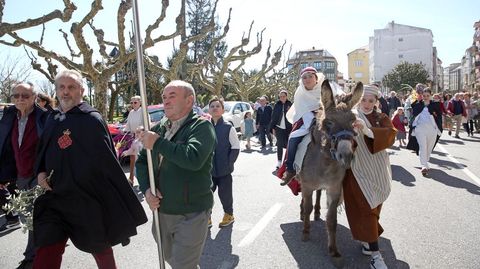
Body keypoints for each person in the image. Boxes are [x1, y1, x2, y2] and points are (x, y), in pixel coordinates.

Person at [33, 69, 147, 269]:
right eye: (62, 87)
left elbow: (106, 163)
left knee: (99, 246)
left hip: (85, 199)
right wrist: (41, 172)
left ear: (81, 91)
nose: (66, 92)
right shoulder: (52, 118)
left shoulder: (91, 120)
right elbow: (42, 151)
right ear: (56, 90)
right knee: (47, 247)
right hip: (55, 198)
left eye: (71, 87)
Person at [136, 80, 216, 269]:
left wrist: (158, 143)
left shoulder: (202, 127)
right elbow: (142, 161)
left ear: (189, 101)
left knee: (182, 266)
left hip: (192, 213)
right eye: (164, 97)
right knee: (175, 260)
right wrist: (147, 190)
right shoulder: (158, 128)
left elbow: (193, 158)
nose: (166, 101)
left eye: (172, 96)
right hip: (162, 211)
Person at [343, 84, 396, 269]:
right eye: (363, 100)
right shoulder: (349, 116)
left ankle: (368, 239)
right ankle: (376, 256)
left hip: (379, 169)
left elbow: (390, 135)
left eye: (370, 101)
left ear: (376, 102)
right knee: (367, 208)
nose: (366, 104)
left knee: (374, 209)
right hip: (357, 170)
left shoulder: (380, 117)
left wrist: (366, 129)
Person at [0, 83, 48, 269]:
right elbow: (5, 146)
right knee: (26, 216)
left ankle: (32, 257)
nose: (20, 98)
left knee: (36, 216)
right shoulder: (9, 117)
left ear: (34, 97)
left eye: (25, 95)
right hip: (20, 175)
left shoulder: (44, 117)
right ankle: (37, 253)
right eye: (16, 95)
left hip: (39, 174)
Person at [280, 67, 324, 186]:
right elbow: (303, 111)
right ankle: (290, 169)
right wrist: (313, 123)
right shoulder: (299, 93)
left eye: (310, 76)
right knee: (292, 139)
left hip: (327, 120)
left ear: (316, 78)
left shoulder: (325, 88)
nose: (307, 79)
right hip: (307, 122)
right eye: (304, 77)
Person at [208, 97, 240, 228]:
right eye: (212, 106)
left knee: (225, 194)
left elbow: (235, 147)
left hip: (224, 169)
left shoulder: (228, 127)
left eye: (217, 106)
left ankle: (229, 215)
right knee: (206, 194)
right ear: (209, 110)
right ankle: (207, 218)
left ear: (222, 110)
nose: (215, 108)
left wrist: (229, 163)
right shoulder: (204, 127)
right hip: (208, 170)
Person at [406, 88, 442, 176]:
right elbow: (413, 114)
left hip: (432, 130)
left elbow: (439, 117)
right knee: (423, 147)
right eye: (424, 96)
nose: (425, 97)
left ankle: (425, 162)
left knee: (429, 148)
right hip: (420, 129)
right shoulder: (417, 105)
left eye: (427, 96)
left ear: (430, 96)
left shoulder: (435, 105)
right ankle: (423, 166)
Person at [123, 95, 147, 185]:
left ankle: (144, 180)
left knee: (140, 159)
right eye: (132, 102)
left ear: (140, 102)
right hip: (134, 137)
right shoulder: (131, 112)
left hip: (142, 138)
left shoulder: (144, 111)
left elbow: (146, 124)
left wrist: (140, 131)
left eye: (135, 102)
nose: (133, 104)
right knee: (132, 157)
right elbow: (128, 125)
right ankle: (131, 179)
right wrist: (124, 131)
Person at [270, 89, 292, 169]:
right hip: (278, 128)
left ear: (286, 97)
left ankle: (287, 161)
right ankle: (279, 162)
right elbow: (273, 117)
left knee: (288, 145)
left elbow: (293, 117)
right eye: (281, 96)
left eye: (284, 96)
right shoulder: (277, 105)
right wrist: (273, 128)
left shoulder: (290, 104)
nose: (282, 98)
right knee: (279, 144)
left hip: (288, 128)